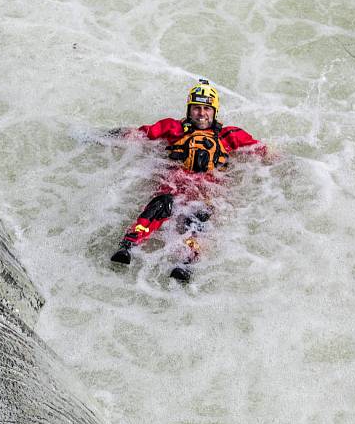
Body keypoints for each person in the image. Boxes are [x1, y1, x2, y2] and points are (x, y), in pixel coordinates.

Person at [109, 79, 266, 281]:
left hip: (206, 188)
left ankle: (186, 263)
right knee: (161, 204)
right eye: (196, 108)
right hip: (174, 181)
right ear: (189, 110)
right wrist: (101, 136)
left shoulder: (230, 135)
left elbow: (262, 150)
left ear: (214, 111)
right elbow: (138, 134)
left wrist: (290, 166)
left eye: (206, 108)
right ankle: (128, 246)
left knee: (199, 215)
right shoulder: (172, 127)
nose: (201, 113)